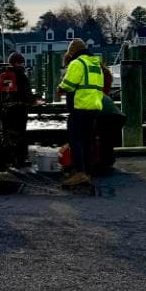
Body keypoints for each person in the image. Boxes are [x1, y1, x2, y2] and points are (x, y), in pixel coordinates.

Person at [57, 38, 105, 187]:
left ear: (73, 52)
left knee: (74, 139)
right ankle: (87, 172)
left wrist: (60, 88)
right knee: (86, 141)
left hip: (80, 106)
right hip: (94, 107)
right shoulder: (96, 65)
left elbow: (69, 85)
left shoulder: (77, 63)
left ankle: (79, 173)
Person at [0, 51, 35, 167]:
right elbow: (23, 94)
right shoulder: (20, 76)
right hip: (17, 110)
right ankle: (20, 159)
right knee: (19, 134)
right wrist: (32, 101)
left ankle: (8, 158)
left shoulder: (0, 75)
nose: (22, 65)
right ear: (18, 63)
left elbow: (0, 93)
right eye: (21, 63)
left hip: (4, 110)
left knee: (7, 133)